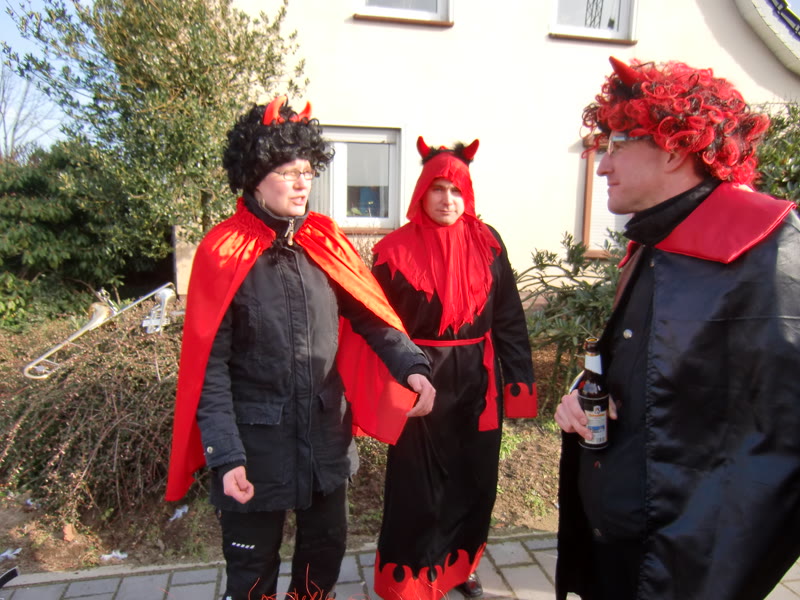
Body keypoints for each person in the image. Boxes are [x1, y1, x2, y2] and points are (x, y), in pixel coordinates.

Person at [165, 96, 436, 600]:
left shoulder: (324, 241)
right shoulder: (222, 251)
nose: (301, 182)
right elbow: (209, 368)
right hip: (254, 445)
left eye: (307, 171)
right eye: (287, 172)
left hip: (325, 438)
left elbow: (369, 315)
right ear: (255, 177)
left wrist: (411, 365)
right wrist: (226, 456)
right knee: (251, 576)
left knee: (322, 562)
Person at [554, 56, 800, 600]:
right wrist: (581, 394)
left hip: (682, 562)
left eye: (618, 143)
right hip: (618, 541)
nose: (602, 165)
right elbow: (659, 366)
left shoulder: (770, 249)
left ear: (674, 146)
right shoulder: (658, 238)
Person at [371, 136, 537, 600]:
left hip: (478, 382)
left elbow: (509, 317)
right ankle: (409, 578)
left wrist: (519, 385)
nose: (448, 200)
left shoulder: (489, 243)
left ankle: (459, 566)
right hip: (419, 379)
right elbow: (378, 324)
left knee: (473, 479)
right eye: (439, 189)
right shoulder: (392, 250)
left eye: (457, 191)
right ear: (421, 193)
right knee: (416, 485)